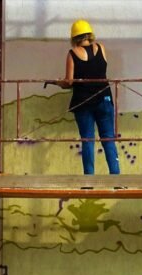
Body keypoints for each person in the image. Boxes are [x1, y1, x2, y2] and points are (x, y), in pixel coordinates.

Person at [53, 19, 120, 175]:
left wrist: (57, 82)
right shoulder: (101, 48)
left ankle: (89, 180)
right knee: (108, 138)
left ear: (74, 37)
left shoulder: (72, 54)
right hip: (104, 99)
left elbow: (69, 82)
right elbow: (100, 70)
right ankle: (116, 178)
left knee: (88, 140)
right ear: (90, 34)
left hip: (83, 103)